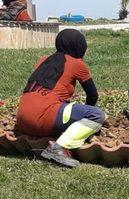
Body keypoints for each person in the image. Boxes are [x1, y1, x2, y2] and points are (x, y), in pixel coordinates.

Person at [15, 30, 105, 167]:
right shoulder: (76, 64)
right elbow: (93, 95)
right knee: (96, 115)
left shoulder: (43, 60)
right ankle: (60, 148)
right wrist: (85, 113)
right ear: (79, 47)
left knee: (63, 107)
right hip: (45, 119)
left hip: (22, 120)